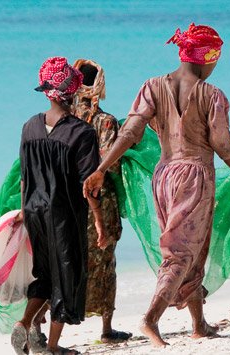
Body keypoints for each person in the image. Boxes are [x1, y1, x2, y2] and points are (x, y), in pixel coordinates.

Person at [83, 23, 230, 347]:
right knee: (181, 254)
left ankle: (199, 323)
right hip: (194, 176)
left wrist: (101, 168)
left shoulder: (152, 87)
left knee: (192, 249)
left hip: (163, 177)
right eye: (215, 59)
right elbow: (223, 145)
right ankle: (151, 318)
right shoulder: (211, 95)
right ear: (207, 56)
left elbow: (130, 133)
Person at [11, 56, 107, 355]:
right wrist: (100, 223)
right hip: (63, 214)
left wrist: (22, 211)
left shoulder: (30, 127)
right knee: (68, 274)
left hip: (33, 211)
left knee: (44, 273)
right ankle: (51, 346)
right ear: (74, 91)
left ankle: (25, 323)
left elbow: (24, 177)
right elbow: (89, 186)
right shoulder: (82, 133)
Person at [70, 58, 132, 344]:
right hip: (99, 200)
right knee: (104, 261)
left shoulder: (62, 118)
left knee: (65, 259)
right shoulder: (105, 121)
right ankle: (106, 329)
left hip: (66, 199)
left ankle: (43, 326)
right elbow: (110, 164)